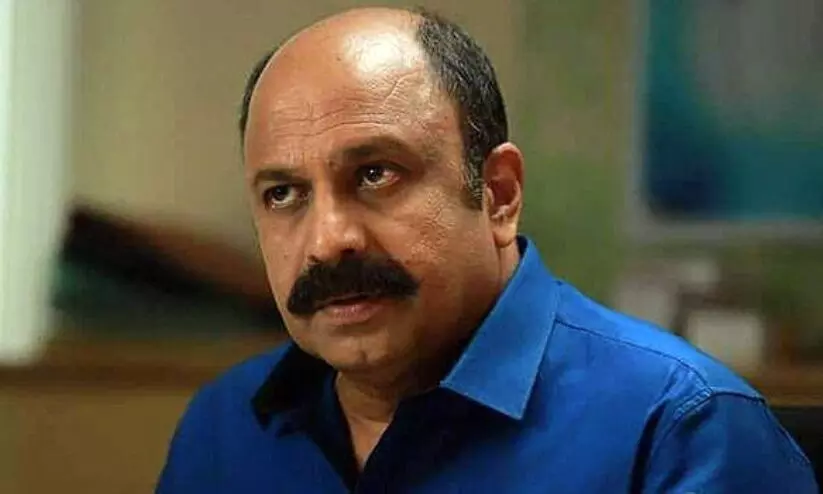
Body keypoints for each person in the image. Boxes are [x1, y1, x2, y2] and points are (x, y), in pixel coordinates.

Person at [157, 7, 818, 493]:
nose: (328, 241)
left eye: (375, 174)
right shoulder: (225, 427)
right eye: (283, 194)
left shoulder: (679, 429)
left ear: (498, 194)